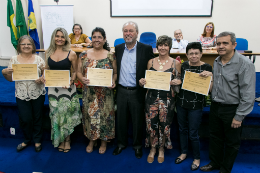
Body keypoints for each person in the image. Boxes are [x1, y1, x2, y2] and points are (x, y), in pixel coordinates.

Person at [200, 32, 255, 173]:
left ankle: (225, 169)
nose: (221, 46)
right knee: (215, 138)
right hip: (216, 106)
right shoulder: (217, 61)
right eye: (218, 43)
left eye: (225, 43)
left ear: (234, 45)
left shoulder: (245, 64)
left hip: (232, 109)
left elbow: (248, 94)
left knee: (232, 142)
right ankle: (215, 162)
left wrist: (239, 116)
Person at [112, 21, 155, 159]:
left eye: (131, 30)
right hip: (121, 90)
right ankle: (121, 144)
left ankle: (137, 146)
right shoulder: (118, 49)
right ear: (123, 33)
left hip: (137, 91)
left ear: (137, 33)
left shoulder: (146, 48)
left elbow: (152, 69)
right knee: (121, 120)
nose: (128, 33)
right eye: (125, 31)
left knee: (137, 121)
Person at [139, 35, 181, 163]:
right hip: (151, 98)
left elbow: (180, 80)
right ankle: (152, 148)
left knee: (164, 125)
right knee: (151, 125)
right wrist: (142, 82)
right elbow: (147, 80)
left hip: (167, 99)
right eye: (160, 45)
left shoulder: (176, 63)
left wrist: (177, 81)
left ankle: (161, 149)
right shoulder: (151, 62)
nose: (163, 48)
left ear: (169, 47)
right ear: (157, 47)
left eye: (165, 45)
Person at [2, 35, 45, 152]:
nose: (26, 46)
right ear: (19, 46)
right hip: (21, 94)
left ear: (33, 46)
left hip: (37, 93)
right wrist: (4, 72)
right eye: (23, 44)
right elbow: (10, 79)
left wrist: (42, 78)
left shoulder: (39, 59)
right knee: (25, 118)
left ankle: (37, 140)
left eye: (29, 44)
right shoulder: (14, 60)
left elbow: (45, 75)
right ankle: (27, 139)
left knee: (37, 117)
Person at [77, 27, 117, 154]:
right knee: (90, 115)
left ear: (104, 39)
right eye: (94, 37)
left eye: (100, 37)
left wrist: (113, 81)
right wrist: (82, 78)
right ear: (91, 39)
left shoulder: (111, 55)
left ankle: (104, 141)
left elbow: (115, 73)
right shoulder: (83, 55)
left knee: (105, 116)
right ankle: (92, 139)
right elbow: (77, 72)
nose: (97, 39)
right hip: (89, 93)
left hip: (106, 93)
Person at [175, 42, 213, 170]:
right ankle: (184, 153)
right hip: (181, 102)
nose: (194, 56)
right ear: (187, 54)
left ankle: (197, 158)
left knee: (193, 132)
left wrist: (210, 77)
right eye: (191, 53)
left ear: (201, 54)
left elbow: (210, 90)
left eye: (197, 53)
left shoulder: (207, 67)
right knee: (182, 130)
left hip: (196, 105)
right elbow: (179, 79)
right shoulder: (184, 65)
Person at [44, 27, 82, 152]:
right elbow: (47, 69)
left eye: (62, 36)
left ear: (66, 38)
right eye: (57, 36)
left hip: (67, 89)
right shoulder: (48, 52)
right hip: (53, 89)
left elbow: (76, 72)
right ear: (53, 37)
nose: (59, 39)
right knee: (56, 115)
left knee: (67, 115)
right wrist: (44, 77)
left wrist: (71, 81)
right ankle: (59, 139)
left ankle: (67, 140)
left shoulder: (71, 53)